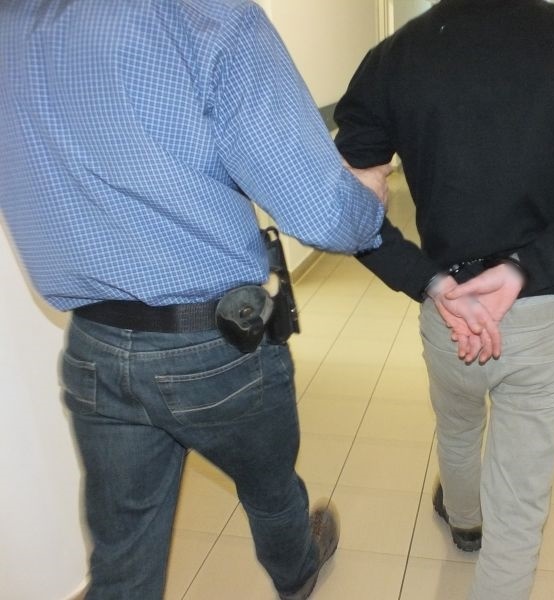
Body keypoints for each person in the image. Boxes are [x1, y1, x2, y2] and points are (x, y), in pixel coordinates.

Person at [0, 1, 390, 599]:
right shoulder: (201, 15)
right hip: (216, 348)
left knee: (122, 551)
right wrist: (368, 198)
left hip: (93, 346)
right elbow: (325, 214)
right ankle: (297, 574)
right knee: (269, 490)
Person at [334, 1, 554, 598]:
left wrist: (426, 280)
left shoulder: (396, 57)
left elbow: (346, 203)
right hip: (541, 313)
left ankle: (464, 522)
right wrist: (523, 270)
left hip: (449, 310)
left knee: (458, 426)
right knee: (520, 507)